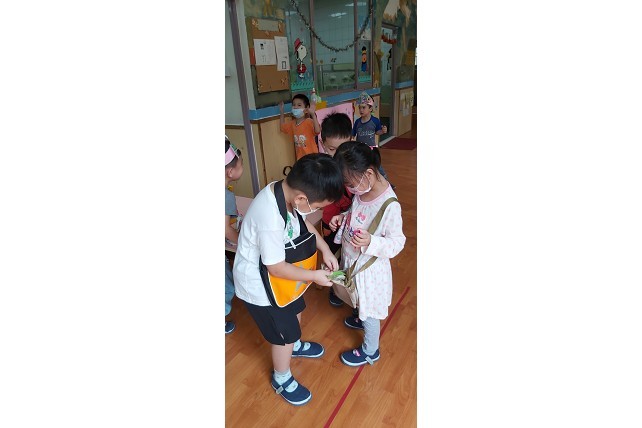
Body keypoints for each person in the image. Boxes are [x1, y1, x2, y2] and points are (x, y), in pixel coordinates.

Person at [233, 153, 344, 406]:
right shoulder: (270, 216)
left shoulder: (286, 192)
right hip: (261, 285)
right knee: (283, 334)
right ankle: (281, 377)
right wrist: (314, 276)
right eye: (317, 207)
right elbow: (275, 268)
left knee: (296, 307)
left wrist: (325, 250)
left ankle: (294, 344)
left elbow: (305, 226)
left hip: (282, 278)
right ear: (302, 198)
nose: (316, 212)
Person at [329, 141, 406, 367]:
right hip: (354, 261)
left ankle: (371, 350)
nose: (350, 190)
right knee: (357, 297)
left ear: (369, 174)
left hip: (370, 270)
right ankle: (360, 316)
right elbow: (357, 213)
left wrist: (372, 241)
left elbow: (397, 242)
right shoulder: (362, 191)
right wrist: (343, 217)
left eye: (351, 185)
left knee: (370, 311)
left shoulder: (390, 205)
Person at [319, 112, 355, 308]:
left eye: (343, 148)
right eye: (332, 149)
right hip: (330, 223)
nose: (338, 154)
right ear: (323, 144)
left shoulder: (356, 166)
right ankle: (335, 288)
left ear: (352, 140)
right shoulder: (323, 166)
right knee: (332, 257)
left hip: (352, 224)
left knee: (350, 258)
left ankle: (350, 290)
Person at [352, 91, 394, 188]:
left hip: (372, 149)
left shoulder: (375, 121)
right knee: (361, 167)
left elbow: (377, 132)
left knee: (377, 167)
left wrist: (382, 131)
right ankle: (363, 185)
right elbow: (353, 134)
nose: (361, 110)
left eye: (364, 107)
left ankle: (387, 183)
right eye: (360, 107)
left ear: (370, 108)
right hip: (360, 150)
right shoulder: (357, 122)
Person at [225, 136, 244, 334]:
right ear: (230, 172)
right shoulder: (226, 196)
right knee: (226, 287)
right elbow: (226, 229)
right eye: (241, 165)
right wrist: (244, 242)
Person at [279, 93, 320, 160]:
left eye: (299, 105)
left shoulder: (309, 122)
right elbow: (282, 128)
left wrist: (313, 115)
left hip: (312, 158)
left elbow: (317, 131)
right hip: (300, 159)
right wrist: (281, 112)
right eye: (294, 105)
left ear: (306, 109)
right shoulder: (292, 124)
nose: (295, 107)